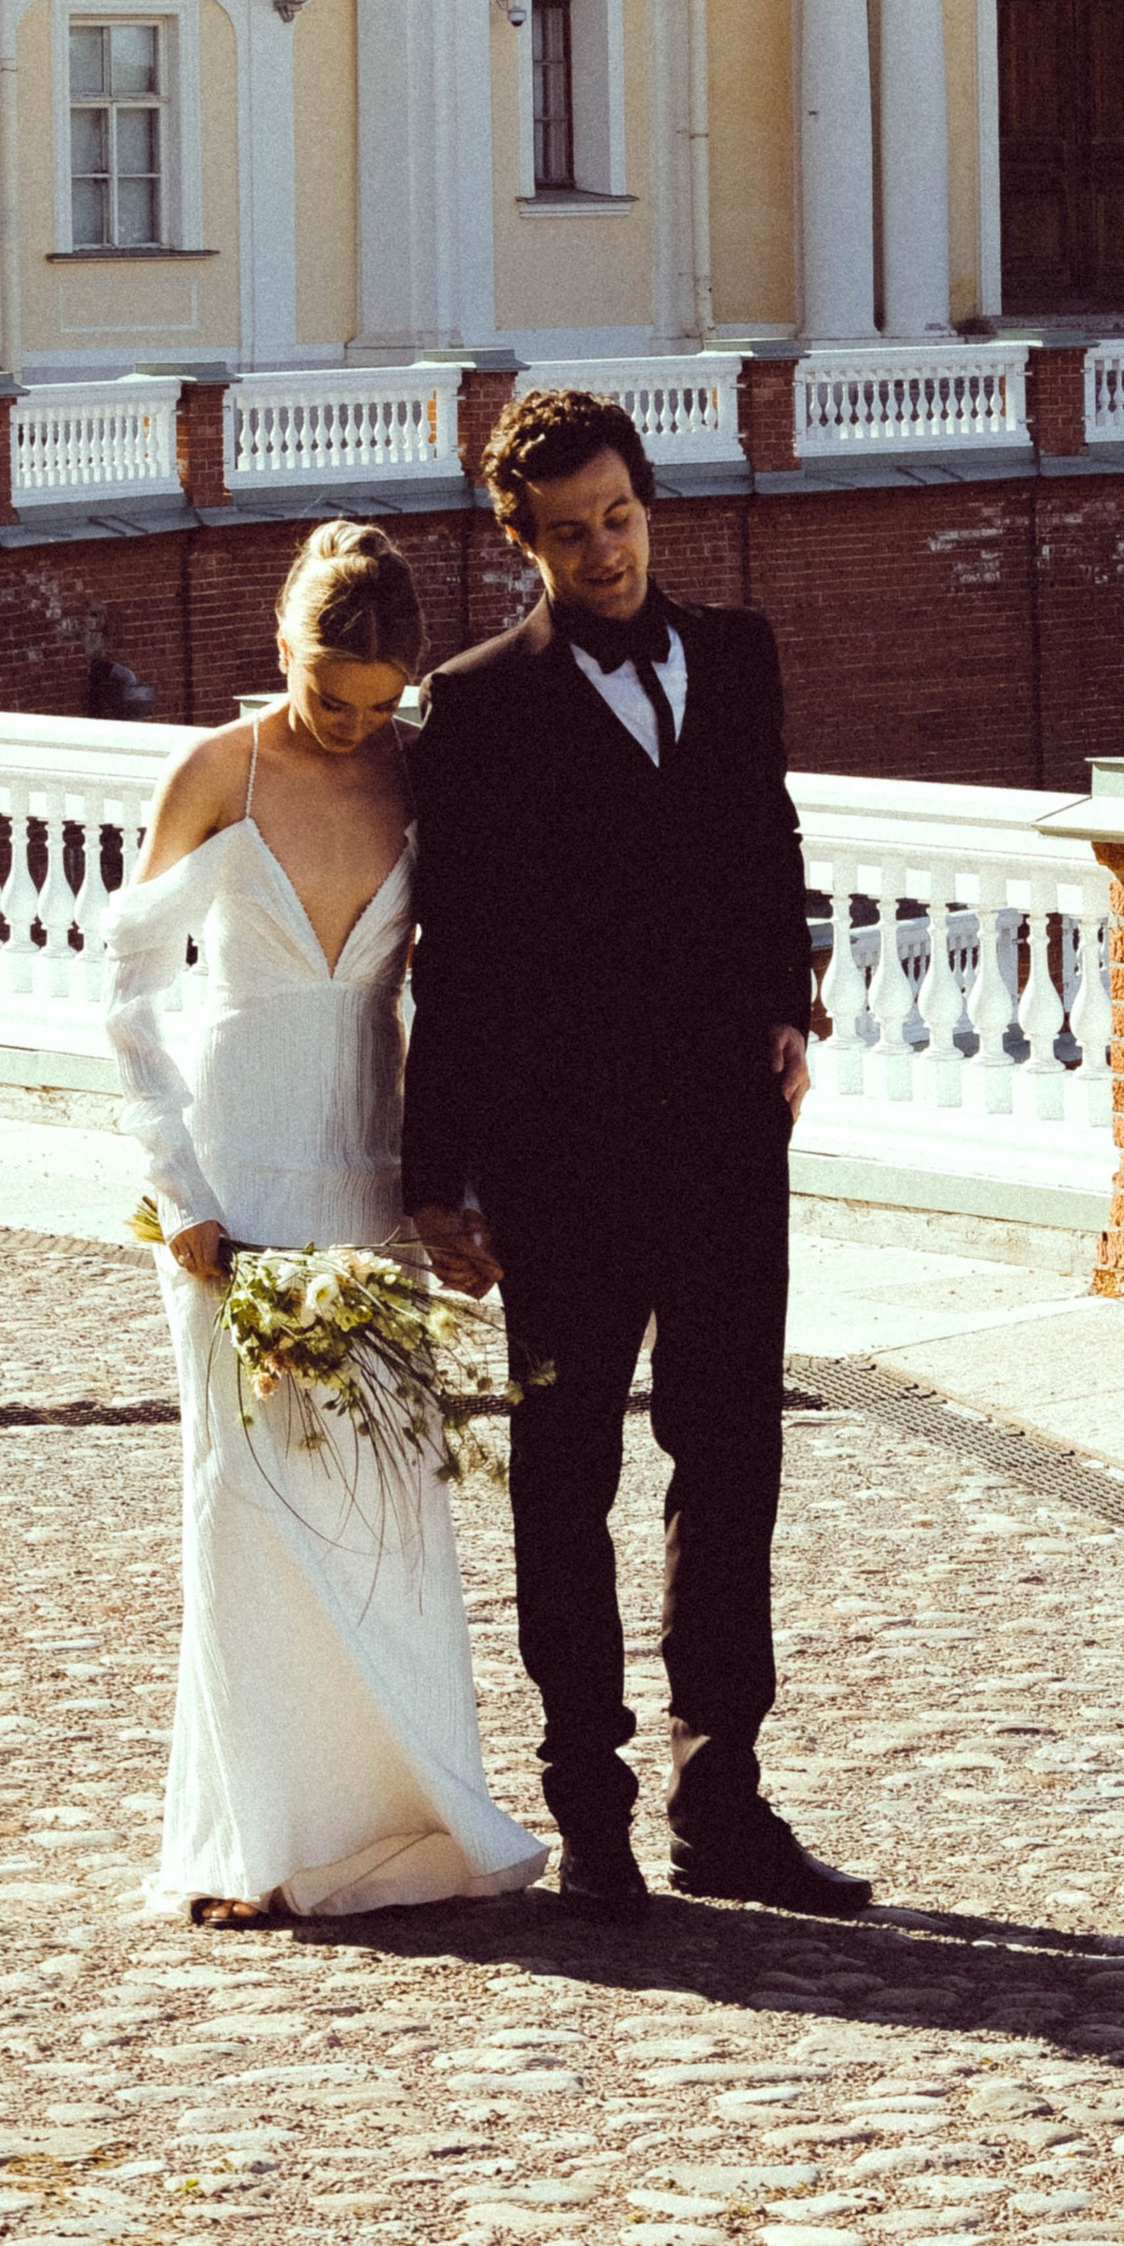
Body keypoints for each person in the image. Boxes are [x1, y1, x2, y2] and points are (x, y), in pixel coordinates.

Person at [404, 389, 871, 1921]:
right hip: (563, 1162)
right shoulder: (474, 705)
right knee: (567, 1477)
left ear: (647, 506)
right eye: (567, 534)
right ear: (519, 546)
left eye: (620, 518)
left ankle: (719, 1798)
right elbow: (453, 961)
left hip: (733, 1147)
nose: (602, 552)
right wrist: (436, 1175)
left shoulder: (738, 656)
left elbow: (770, 846)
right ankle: (589, 1810)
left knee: (732, 1467)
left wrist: (790, 1001)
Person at [103, 518, 546, 1928]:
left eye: (376, 703)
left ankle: (407, 1814)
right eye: (323, 687)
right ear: (281, 640)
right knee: (246, 1496)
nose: (346, 723)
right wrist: (177, 1195)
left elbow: (466, 992)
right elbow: (123, 995)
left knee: (383, 1499)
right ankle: (258, 1843)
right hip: (235, 1174)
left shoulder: (414, 778)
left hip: (371, 1165)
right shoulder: (213, 771)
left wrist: (455, 1184)